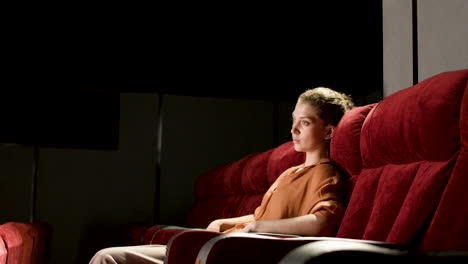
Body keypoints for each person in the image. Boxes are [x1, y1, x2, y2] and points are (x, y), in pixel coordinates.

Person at [89, 87, 355, 264]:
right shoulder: (290, 172)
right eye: (294, 120)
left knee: (109, 258)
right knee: (107, 256)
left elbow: (323, 221)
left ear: (329, 132)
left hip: (232, 254)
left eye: (305, 123)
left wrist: (257, 228)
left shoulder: (325, 172)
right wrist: (224, 222)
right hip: (220, 244)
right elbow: (262, 215)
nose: (294, 129)